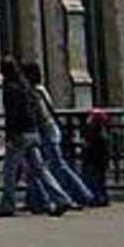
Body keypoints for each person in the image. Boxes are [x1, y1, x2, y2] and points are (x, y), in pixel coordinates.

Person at [0, 58, 68, 218]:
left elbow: (11, 114)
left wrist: (9, 134)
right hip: (32, 132)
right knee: (40, 170)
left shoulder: (10, 88)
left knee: (9, 171)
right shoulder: (25, 86)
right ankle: (61, 198)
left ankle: (7, 205)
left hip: (19, 134)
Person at [24, 61, 96, 209]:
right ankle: (37, 199)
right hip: (48, 131)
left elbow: (42, 115)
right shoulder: (40, 90)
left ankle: (83, 195)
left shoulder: (36, 92)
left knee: (55, 166)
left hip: (46, 132)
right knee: (39, 167)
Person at [80, 108, 113, 206]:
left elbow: (89, 147)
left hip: (93, 161)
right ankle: (102, 198)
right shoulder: (102, 134)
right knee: (100, 181)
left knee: (93, 180)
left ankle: (96, 198)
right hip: (99, 162)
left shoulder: (94, 134)